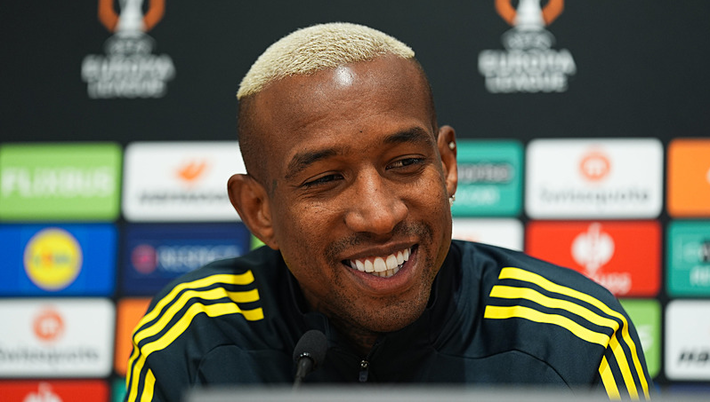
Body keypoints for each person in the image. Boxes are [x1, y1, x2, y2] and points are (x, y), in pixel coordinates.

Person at [124, 22, 652, 401]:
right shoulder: (193, 336)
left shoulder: (575, 338)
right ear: (259, 210)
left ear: (446, 166)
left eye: (404, 163)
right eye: (325, 179)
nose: (379, 216)